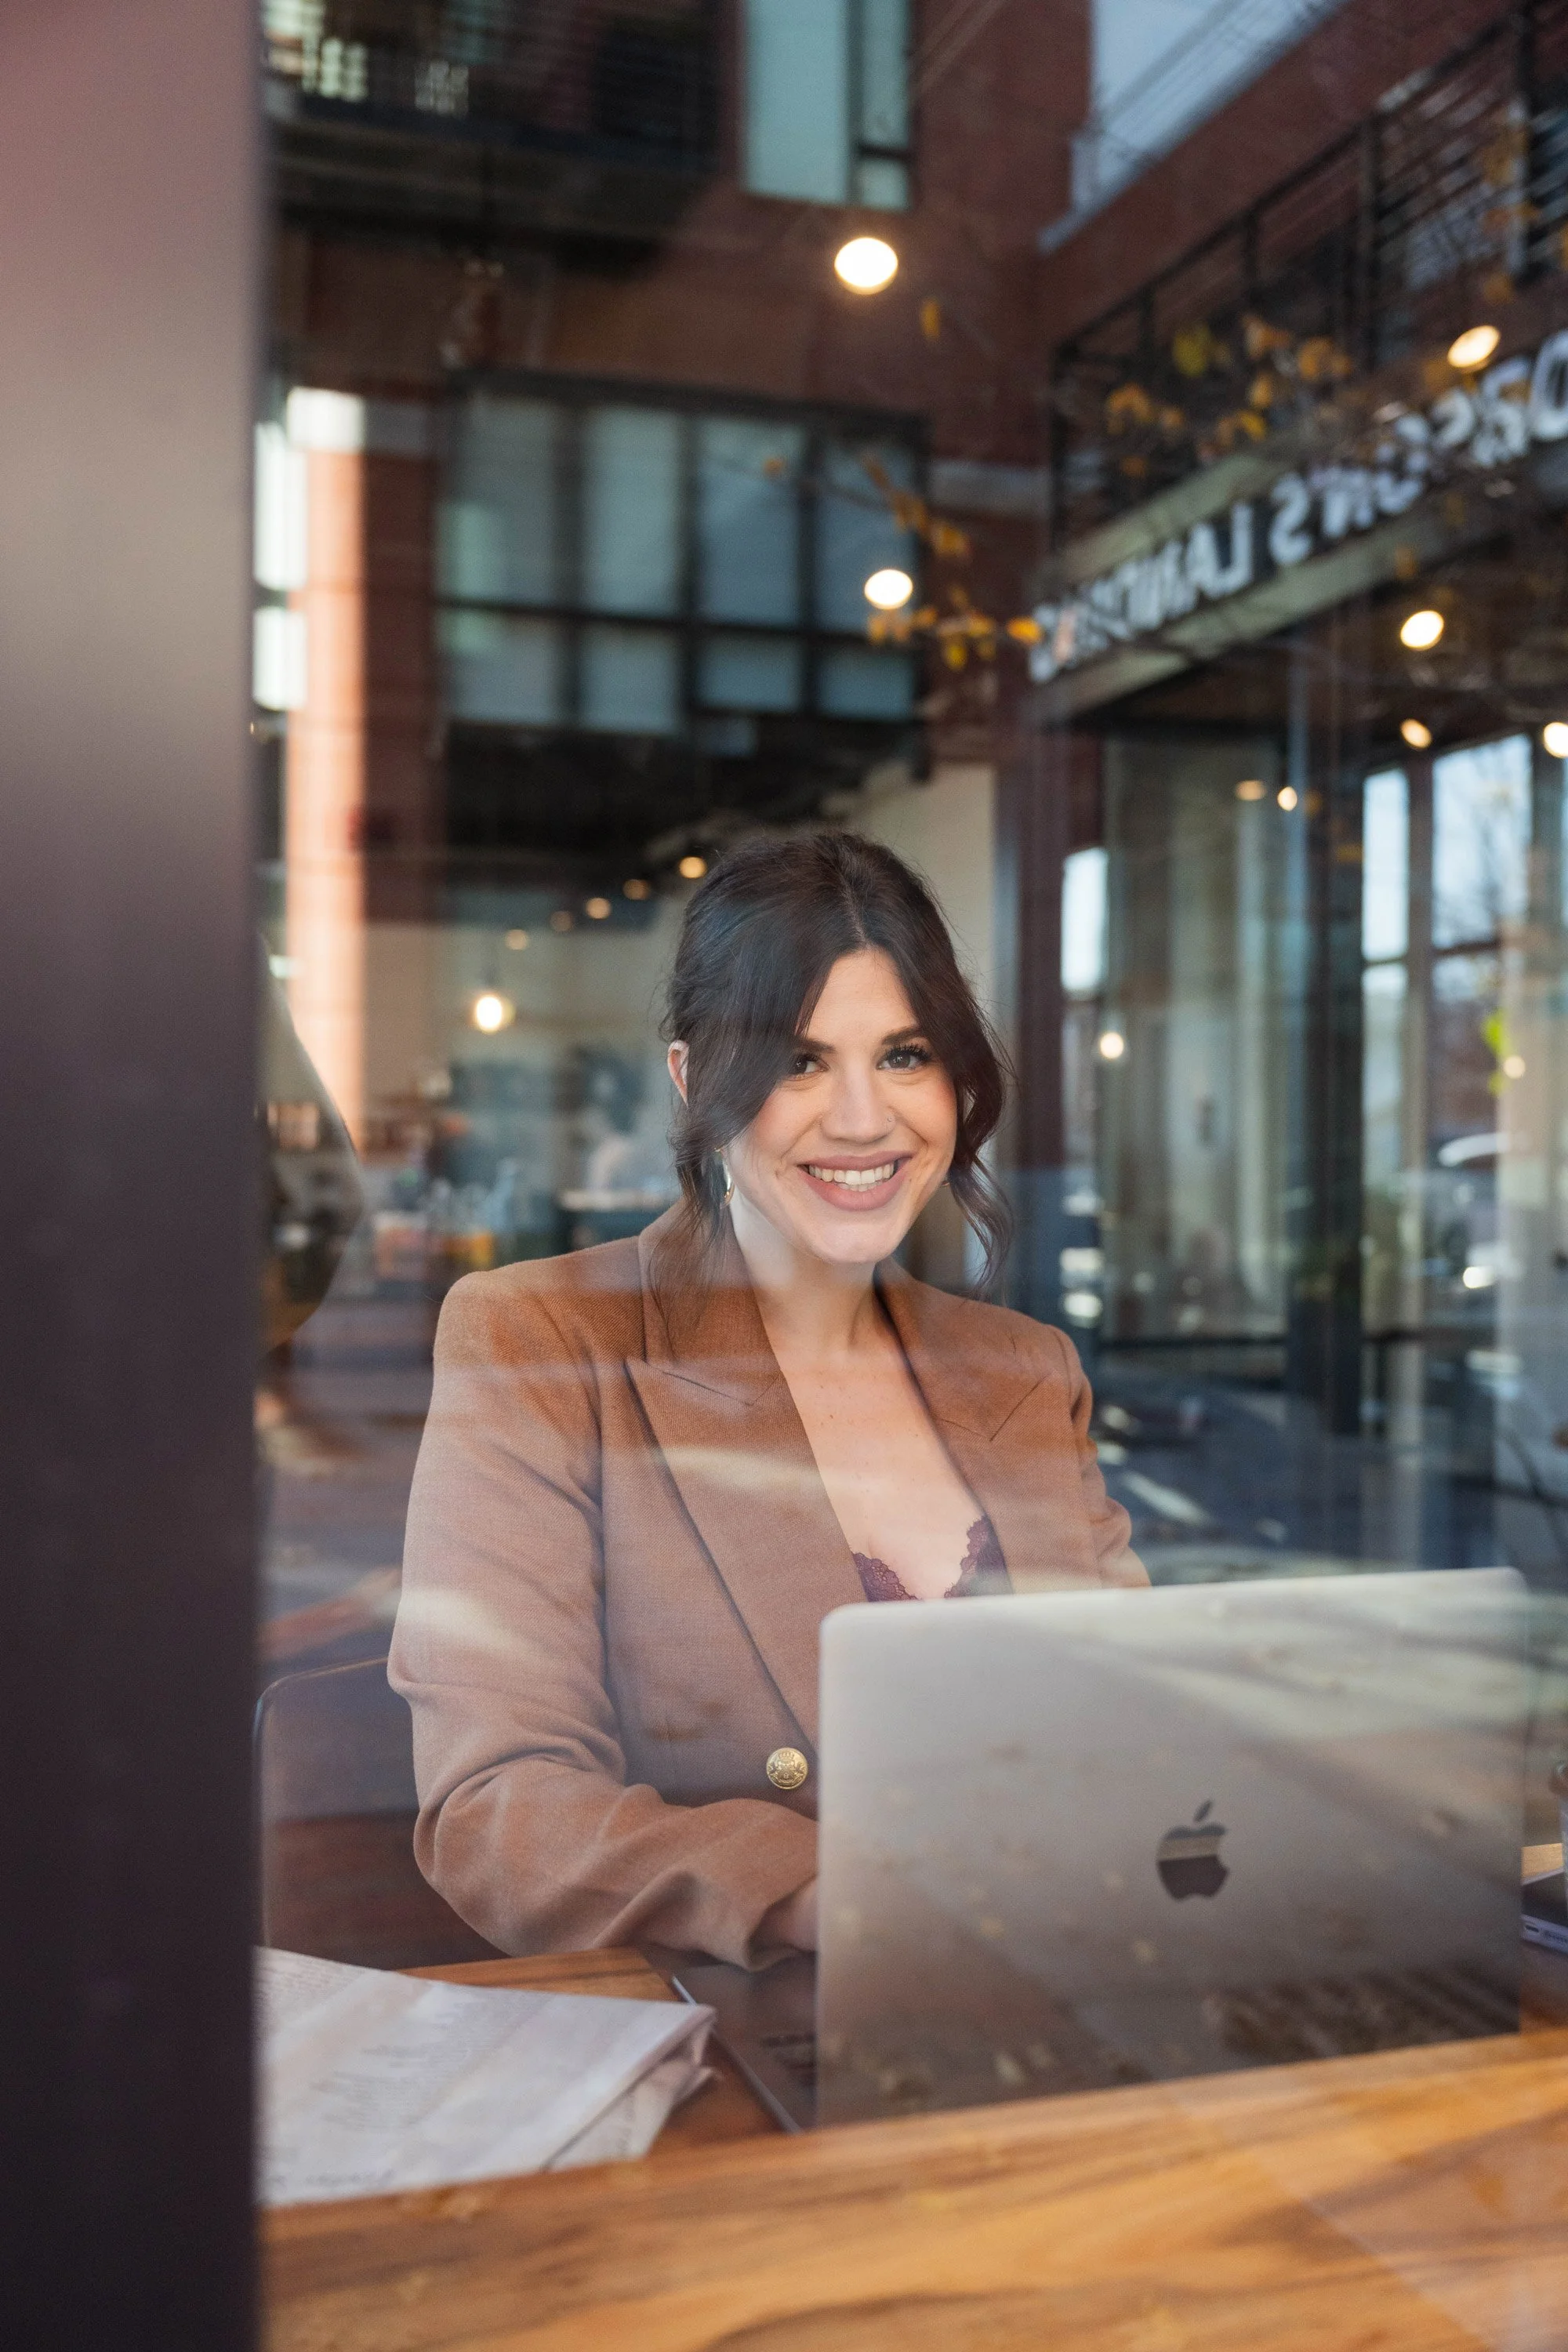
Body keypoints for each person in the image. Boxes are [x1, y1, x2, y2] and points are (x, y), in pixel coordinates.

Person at [390, 834, 1145, 1967]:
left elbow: (1150, 1728)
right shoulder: (539, 1339)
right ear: (695, 1079)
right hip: (780, 2033)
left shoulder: (1027, 1369)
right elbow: (498, 1809)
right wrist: (855, 1897)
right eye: (797, 1062)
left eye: (903, 1055)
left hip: (1082, 1991)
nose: (860, 1119)